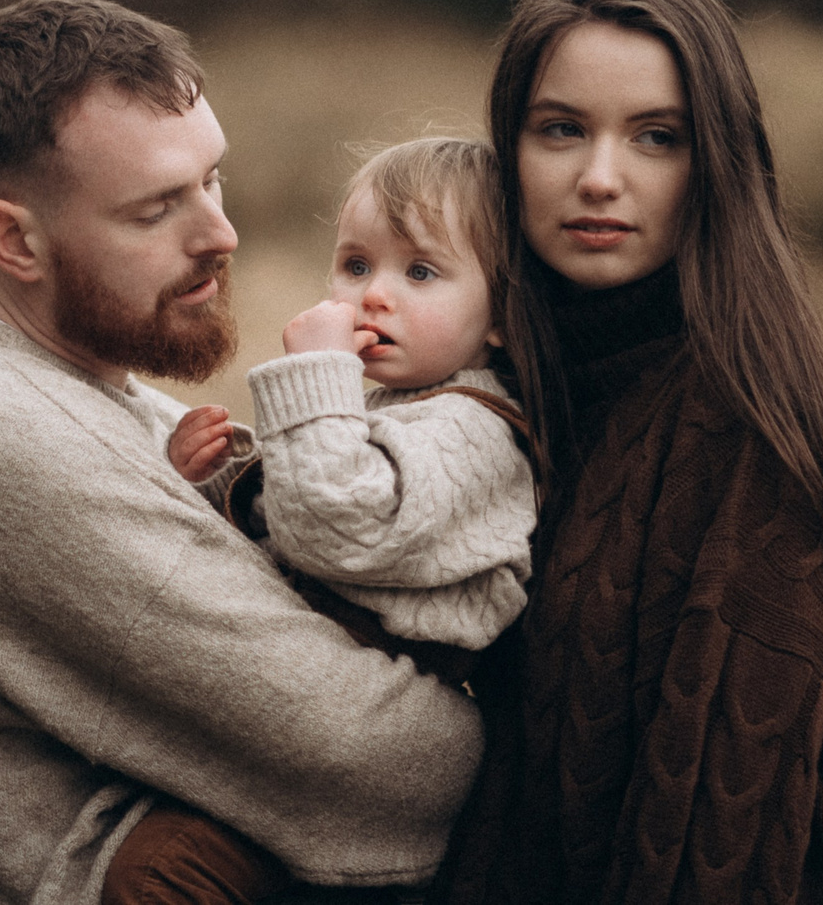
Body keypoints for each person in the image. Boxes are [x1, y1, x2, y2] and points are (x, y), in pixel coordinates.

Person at [0, 0, 482, 905]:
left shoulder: (106, 405)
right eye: (157, 209)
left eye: (213, 180)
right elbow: (384, 767)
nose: (220, 235)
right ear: (15, 239)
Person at [430, 0, 823, 905]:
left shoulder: (745, 439)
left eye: (656, 137)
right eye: (561, 129)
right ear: (507, 151)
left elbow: (714, 860)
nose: (601, 177)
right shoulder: (495, 392)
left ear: (716, 161)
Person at [116, 139, 539, 905]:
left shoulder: (480, 431)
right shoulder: (390, 404)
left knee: (160, 875)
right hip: (301, 735)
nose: (373, 295)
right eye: (355, 265)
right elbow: (286, 515)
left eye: (419, 272)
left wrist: (315, 375)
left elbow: (337, 522)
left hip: (378, 779)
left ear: (504, 315)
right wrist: (207, 480)